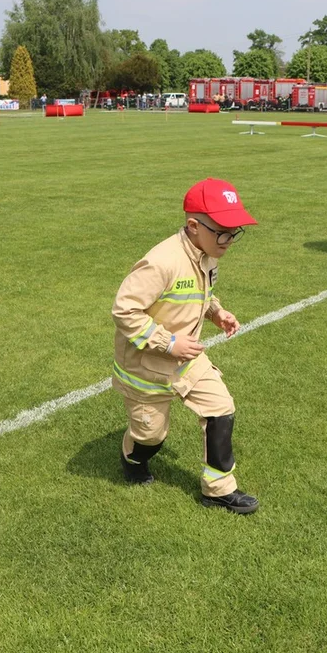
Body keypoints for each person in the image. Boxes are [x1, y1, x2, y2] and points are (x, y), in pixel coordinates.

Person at [111, 178, 260, 515]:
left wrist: (217, 312)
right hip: (145, 366)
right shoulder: (161, 262)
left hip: (188, 357)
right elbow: (124, 310)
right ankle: (132, 458)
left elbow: (198, 294)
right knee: (151, 435)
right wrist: (170, 342)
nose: (229, 240)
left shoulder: (207, 253)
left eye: (235, 231)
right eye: (223, 231)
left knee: (220, 408)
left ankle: (218, 490)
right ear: (194, 226)